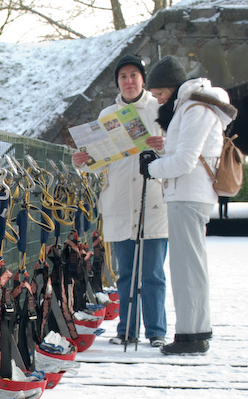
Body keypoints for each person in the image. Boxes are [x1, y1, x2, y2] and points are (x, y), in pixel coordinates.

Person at [140, 55, 237, 355]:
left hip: (188, 195)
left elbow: (185, 161)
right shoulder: (192, 105)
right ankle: (193, 330)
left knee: (187, 267)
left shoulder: (195, 108)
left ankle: (191, 334)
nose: (157, 99)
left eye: (158, 93)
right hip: (188, 194)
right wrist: (159, 157)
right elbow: (185, 154)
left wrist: (152, 169)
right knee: (188, 266)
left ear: (172, 86)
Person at [72, 54, 168, 348]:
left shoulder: (161, 110)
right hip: (120, 202)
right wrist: (84, 161)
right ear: (118, 81)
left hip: (152, 201)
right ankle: (127, 329)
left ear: (143, 79)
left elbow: (181, 153)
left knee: (152, 272)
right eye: (123, 76)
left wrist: (164, 147)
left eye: (134, 75)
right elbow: (100, 162)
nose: (128, 81)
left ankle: (156, 331)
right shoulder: (107, 115)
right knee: (126, 273)